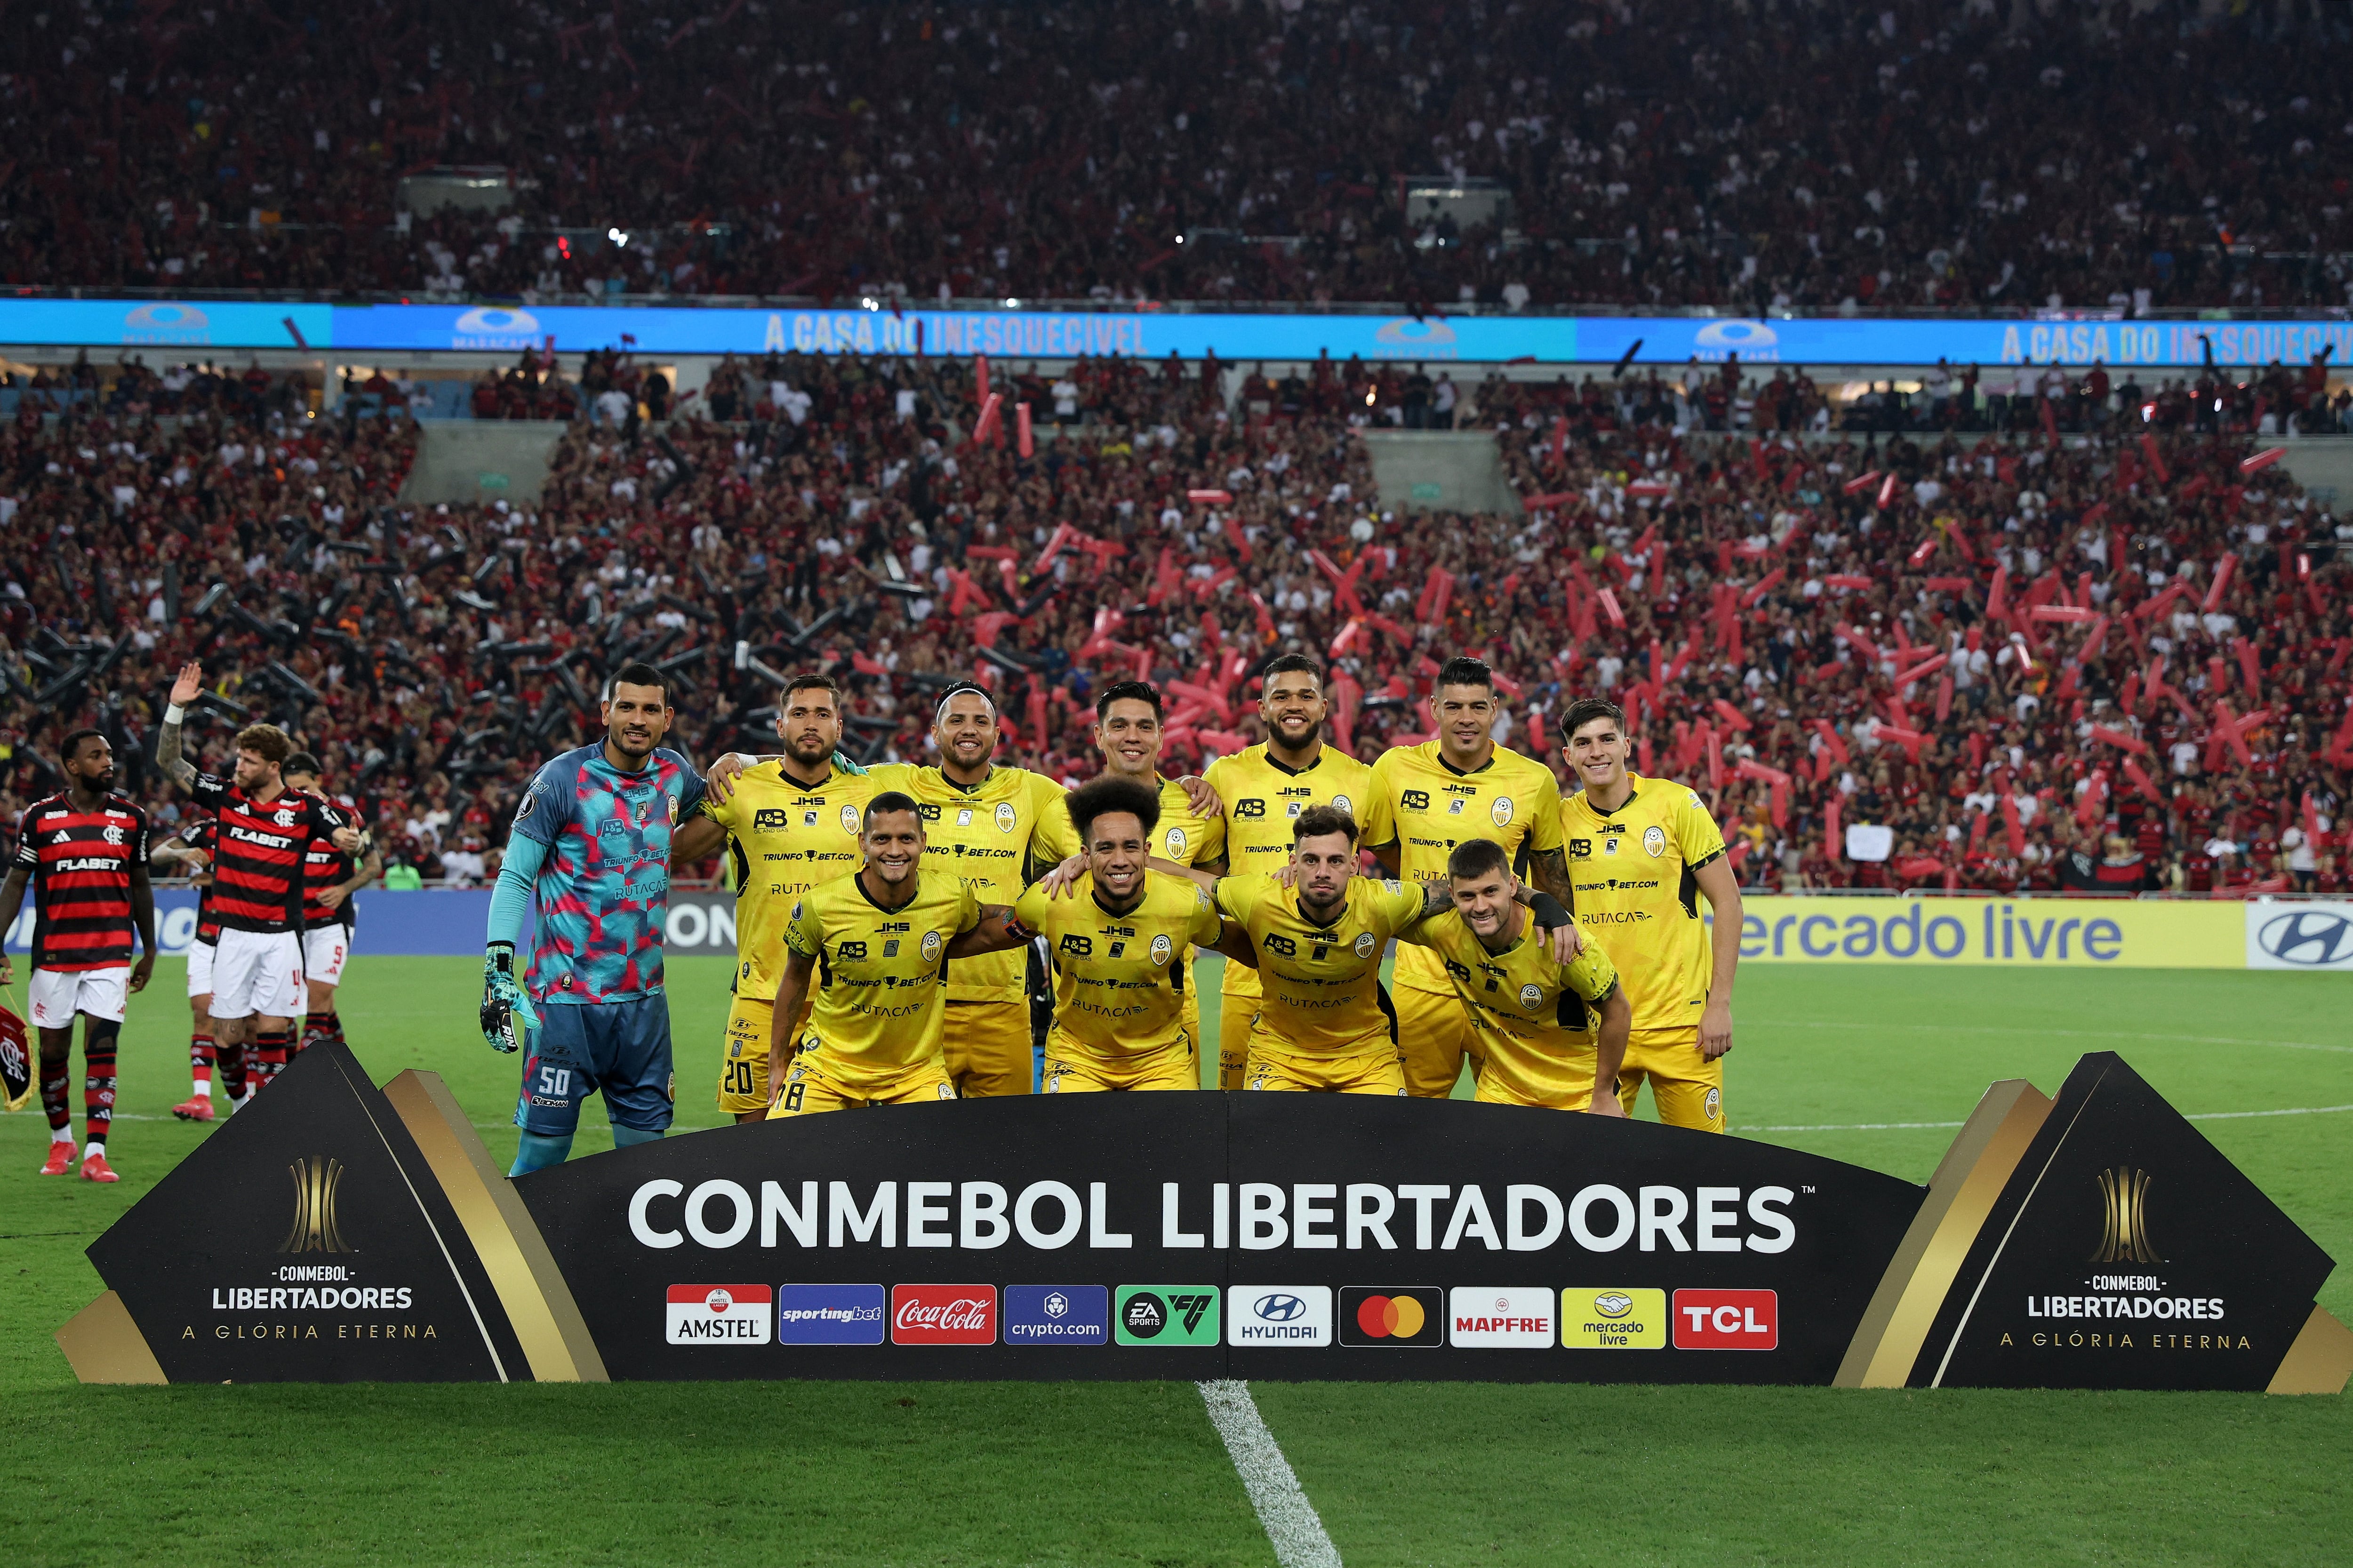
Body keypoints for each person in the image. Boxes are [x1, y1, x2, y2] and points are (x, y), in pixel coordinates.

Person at [1126, 804, 1577, 1094]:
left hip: (1366, 1058)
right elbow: (1193, 879)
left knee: (1382, 1162)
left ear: (1356, 866)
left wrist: (1542, 901)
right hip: (1282, 1055)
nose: (1323, 872)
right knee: (1265, 1157)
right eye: (1312, 860)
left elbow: (1465, 890)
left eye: (1336, 861)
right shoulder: (1258, 897)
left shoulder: (1383, 901)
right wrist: (1123, 859)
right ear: (1293, 863)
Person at [480, 662, 725, 1174]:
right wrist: (497, 970)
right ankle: (504, 1253)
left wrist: (743, 759)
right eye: (627, 706)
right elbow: (514, 877)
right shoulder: (561, 780)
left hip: (643, 1005)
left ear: (667, 718)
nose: (638, 719)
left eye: (650, 709)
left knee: (645, 1159)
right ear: (605, 712)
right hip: (566, 1005)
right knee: (545, 1153)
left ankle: (626, 1256)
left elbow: (725, 805)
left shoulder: (675, 774)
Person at [957, 776, 1254, 1091]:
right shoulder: (1052, 900)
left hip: (1160, 1061)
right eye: (1105, 848)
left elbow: (1242, 946)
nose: (1120, 860)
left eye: (1130, 847)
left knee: (1175, 1140)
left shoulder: (1185, 903)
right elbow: (990, 936)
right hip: (1077, 1058)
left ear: (1147, 852)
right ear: (1085, 855)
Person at [1366, 655, 1575, 1099]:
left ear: (1495, 709)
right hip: (1422, 980)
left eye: (1478, 707)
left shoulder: (1533, 781)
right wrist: (1442, 896)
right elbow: (1388, 852)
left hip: (1505, 982)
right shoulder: (1394, 769)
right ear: (1434, 708)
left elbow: (1554, 881)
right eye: (1455, 707)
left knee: (1513, 1118)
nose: (1467, 719)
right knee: (1412, 1120)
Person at [155, 664, 362, 1102]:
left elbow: (347, 837)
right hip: (232, 937)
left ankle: (263, 1121)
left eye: (248, 761)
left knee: (273, 1029)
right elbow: (169, 762)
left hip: (284, 938)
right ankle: (238, 1104)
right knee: (228, 1037)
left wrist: (350, 840)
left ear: (273, 767)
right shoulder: (227, 796)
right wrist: (175, 708)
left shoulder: (304, 808)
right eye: (238, 758)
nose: (238, 766)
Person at [1199, 654, 1385, 1090]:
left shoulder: (1364, 780)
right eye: (1281, 696)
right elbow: (1206, 873)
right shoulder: (1225, 776)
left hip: (1342, 985)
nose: (1294, 705)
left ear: (1324, 707)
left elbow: (1401, 860)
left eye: (1306, 696)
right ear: (1263, 708)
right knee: (1244, 1132)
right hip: (1250, 982)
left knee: (1355, 1131)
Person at [764, 792, 1014, 1116]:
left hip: (916, 1072)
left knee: (945, 1162)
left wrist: (1035, 913)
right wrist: (777, 1058)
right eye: (882, 839)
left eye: (906, 839)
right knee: (785, 1152)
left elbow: (985, 917)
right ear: (863, 843)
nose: (895, 851)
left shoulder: (951, 896)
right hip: (828, 1067)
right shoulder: (820, 905)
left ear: (923, 841)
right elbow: (795, 978)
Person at [1557, 697, 1742, 1133]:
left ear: (1627, 745)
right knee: (1596, 1167)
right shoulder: (1559, 820)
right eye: (1583, 743)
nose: (1596, 751)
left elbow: (1729, 903)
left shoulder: (1677, 804)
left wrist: (1720, 1005)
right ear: (1569, 756)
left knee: (1703, 1166)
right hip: (1597, 1025)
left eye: (1607, 739)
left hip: (1682, 1025)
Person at [695, 673, 875, 1121]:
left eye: (821, 715)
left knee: (841, 1145)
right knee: (754, 1138)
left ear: (840, 727)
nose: (810, 724)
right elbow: (669, 853)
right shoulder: (742, 789)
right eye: (799, 714)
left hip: (845, 999)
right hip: (760, 994)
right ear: (780, 726)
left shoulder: (872, 790)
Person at [0, 730, 156, 1181]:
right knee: (53, 1051)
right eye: (96, 756)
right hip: (54, 955)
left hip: (111, 953)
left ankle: (95, 1152)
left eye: (109, 754)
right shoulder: (40, 818)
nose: (108, 762)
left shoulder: (131, 818)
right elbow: (15, 884)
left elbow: (142, 885)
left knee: (102, 1048)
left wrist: (148, 949)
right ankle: (61, 1141)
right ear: (72, 766)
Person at [1397, 838, 1629, 1112]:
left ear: (1513, 887)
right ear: (1452, 894)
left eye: (1491, 892)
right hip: (1502, 1092)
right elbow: (1374, 908)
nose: (1481, 907)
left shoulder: (1564, 942)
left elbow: (1618, 1012)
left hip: (1578, 1094)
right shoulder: (1444, 930)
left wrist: (1603, 1094)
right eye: (1468, 896)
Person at [280, 752, 381, 1056]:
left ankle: (298, 1080)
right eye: (292, 790)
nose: (299, 796)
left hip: (331, 921)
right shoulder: (284, 815)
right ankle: (342, 1065)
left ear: (319, 780)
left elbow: (373, 865)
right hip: (289, 924)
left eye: (304, 788)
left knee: (318, 994)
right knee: (294, 1005)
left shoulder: (343, 814)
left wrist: (343, 889)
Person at [149, 817, 226, 1120]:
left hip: (246, 938)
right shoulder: (206, 829)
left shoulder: (264, 828)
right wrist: (182, 854)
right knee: (202, 1013)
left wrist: (215, 876)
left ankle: (249, 1095)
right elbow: (156, 855)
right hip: (206, 939)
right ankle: (201, 1098)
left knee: (250, 1023)